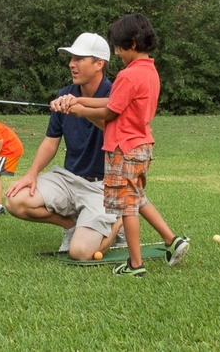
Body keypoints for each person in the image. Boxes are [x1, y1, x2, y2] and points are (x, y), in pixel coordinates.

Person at [54, 14, 190, 277]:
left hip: (123, 148)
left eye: (118, 47)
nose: (116, 52)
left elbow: (109, 112)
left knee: (127, 208)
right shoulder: (149, 71)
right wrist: (75, 101)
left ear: (133, 43)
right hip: (141, 145)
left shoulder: (128, 76)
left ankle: (135, 264)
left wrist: (79, 110)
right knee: (138, 199)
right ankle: (171, 240)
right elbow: (111, 102)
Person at [5, 33, 125, 260]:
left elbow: (116, 133)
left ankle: (120, 221)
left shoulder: (115, 94)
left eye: (79, 58)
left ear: (99, 64)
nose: (72, 64)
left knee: (80, 253)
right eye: (71, 58)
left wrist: (82, 110)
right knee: (16, 200)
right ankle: (71, 224)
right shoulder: (64, 94)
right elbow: (51, 141)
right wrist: (32, 174)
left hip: (104, 186)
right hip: (69, 180)